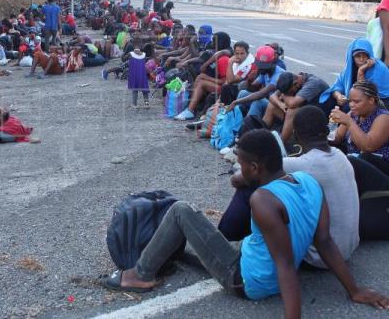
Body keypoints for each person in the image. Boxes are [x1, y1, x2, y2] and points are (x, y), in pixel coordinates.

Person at [103, 129, 389, 316]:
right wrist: (355, 290)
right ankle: (169, 256)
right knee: (199, 239)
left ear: (255, 167)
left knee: (180, 210)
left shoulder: (263, 200)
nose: (238, 168)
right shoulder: (308, 182)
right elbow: (324, 241)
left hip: (244, 280)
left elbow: (285, 265)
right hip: (258, 264)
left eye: (240, 163)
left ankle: (140, 274)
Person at [219, 106, 360, 270]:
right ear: (327, 130)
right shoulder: (340, 155)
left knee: (251, 187)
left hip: (317, 257)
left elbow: (237, 180)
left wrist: (243, 166)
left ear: (295, 135)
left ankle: (222, 242)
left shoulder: (302, 164)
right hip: (347, 249)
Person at [330, 80, 389, 176]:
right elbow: (337, 138)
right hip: (356, 161)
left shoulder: (383, 117)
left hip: (379, 167)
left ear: (371, 100)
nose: (351, 105)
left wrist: (349, 122)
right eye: (350, 101)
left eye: (356, 101)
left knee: (363, 157)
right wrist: (325, 132)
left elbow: (368, 147)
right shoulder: (353, 114)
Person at [319, 38, 389, 112]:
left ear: (369, 55)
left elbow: (364, 96)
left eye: (365, 56)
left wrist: (360, 72)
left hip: (379, 103)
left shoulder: (379, 69)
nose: (361, 59)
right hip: (357, 100)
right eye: (358, 56)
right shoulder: (349, 68)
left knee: (348, 108)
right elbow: (336, 87)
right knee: (328, 101)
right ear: (352, 57)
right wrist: (339, 96)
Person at [263, 72, 331, 142]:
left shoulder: (313, 83)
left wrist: (284, 96)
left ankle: (281, 145)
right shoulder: (293, 80)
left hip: (319, 122)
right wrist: (281, 104)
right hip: (305, 116)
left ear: (296, 84)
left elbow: (292, 104)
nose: (289, 94)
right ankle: (260, 135)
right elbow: (272, 97)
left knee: (292, 110)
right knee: (272, 105)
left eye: (290, 92)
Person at [227, 46, 285, 118]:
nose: (261, 68)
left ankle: (248, 125)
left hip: (276, 105)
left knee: (258, 102)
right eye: (260, 65)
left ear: (273, 62)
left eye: (264, 66)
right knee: (243, 92)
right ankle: (235, 118)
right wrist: (249, 80)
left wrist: (236, 102)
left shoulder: (278, 75)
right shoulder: (265, 71)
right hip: (267, 100)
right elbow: (252, 89)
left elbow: (261, 94)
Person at [127, 42, 150, 109]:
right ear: (141, 47)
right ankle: (146, 103)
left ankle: (135, 104)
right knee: (144, 89)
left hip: (134, 75)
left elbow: (123, 58)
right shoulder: (144, 55)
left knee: (135, 89)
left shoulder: (130, 54)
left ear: (133, 47)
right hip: (142, 75)